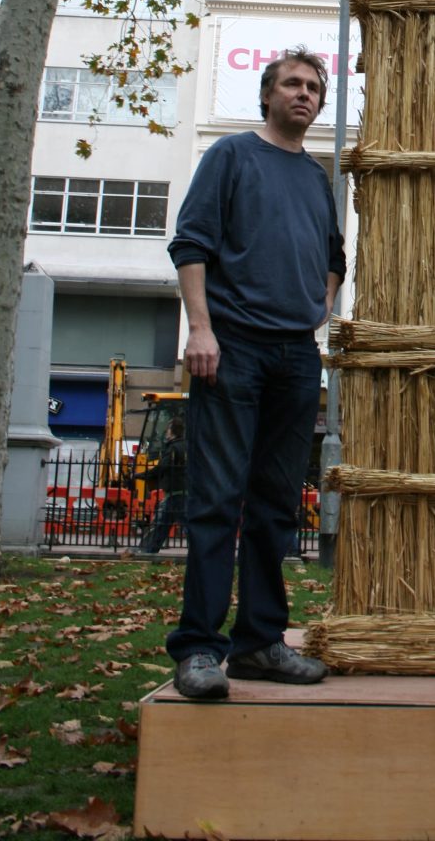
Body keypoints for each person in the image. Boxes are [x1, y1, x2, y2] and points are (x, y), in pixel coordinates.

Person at [165, 47, 346, 700]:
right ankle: (199, 651)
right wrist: (201, 329)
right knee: (217, 501)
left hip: (296, 356)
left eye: (313, 88)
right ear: (267, 95)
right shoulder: (231, 157)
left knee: (275, 506)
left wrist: (316, 308)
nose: (304, 94)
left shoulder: (317, 177)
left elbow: (334, 258)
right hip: (231, 347)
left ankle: (260, 644)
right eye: (292, 84)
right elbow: (191, 244)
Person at [139, 416, 187, 556]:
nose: (166, 431)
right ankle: (150, 550)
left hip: (175, 491)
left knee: (175, 523)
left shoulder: (173, 448)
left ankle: (149, 550)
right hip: (182, 490)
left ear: (172, 431)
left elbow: (162, 467)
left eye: (168, 429)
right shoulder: (186, 445)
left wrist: (143, 475)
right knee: (163, 524)